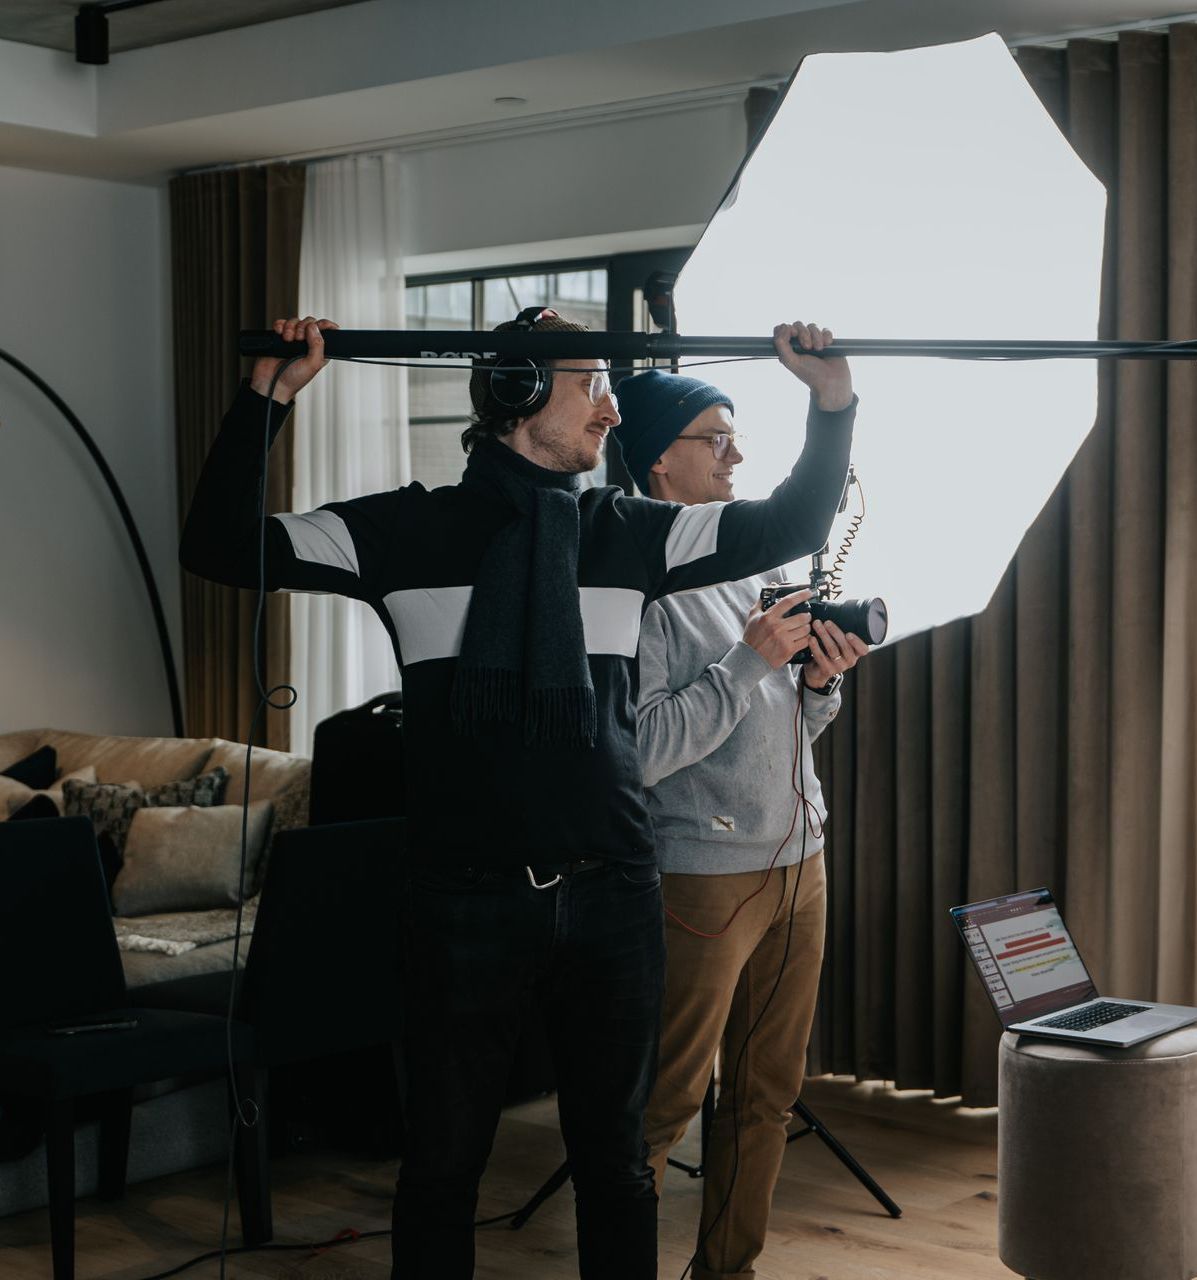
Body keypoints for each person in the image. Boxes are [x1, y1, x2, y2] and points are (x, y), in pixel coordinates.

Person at [179, 307, 855, 1280]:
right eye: (592, 384)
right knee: (444, 1163)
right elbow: (215, 542)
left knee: (617, 1167)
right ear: (517, 392)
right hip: (463, 900)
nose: (613, 412)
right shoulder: (401, 531)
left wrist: (831, 402)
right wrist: (267, 402)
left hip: (615, 894)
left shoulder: (629, 534)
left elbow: (791, 520)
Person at [612, 340, 866, 1280]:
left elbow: (773, 721)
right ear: (656, 463)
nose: (734, 457)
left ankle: (728, 1270)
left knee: (767, 1094)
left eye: (735, 437)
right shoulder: (636, 592)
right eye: (713, 440)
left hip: (802, 864)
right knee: (664, 1101)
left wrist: (817, 687)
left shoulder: (740, 560)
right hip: (702, 881)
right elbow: (638, 752)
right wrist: (749, 662)